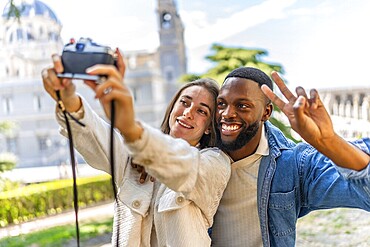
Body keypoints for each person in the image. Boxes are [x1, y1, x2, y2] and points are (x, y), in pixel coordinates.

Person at [41, 49, 231, 246]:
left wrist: (130, 127)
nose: (188, 113)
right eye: (184, 102)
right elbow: (96, 135)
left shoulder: (215, 164)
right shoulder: (134, 156)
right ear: (172, 107)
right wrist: (68, 100)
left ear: (209, 127)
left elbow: (184, 167)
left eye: (201, 110)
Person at [210, 67, 370, 247]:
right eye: (221, 104)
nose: (227, 114)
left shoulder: (294, 165)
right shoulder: (200, 155)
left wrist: (328, 141)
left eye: (242, 105)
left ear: (266, 113)